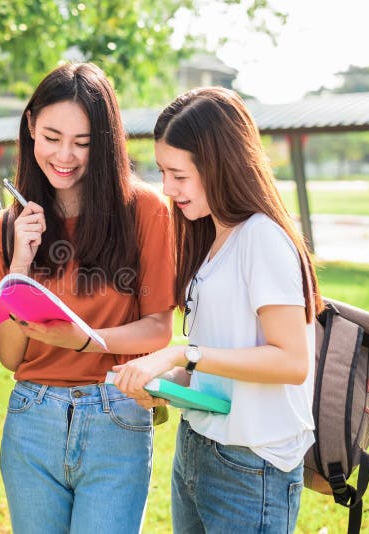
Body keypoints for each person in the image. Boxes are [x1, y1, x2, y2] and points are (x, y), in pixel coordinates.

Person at [112, 86, 323, 533]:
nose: (167, 188)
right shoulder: (212, 238)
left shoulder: (262, 238)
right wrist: (166, 382)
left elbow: (290, 361)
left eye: (179, 175)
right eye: (163, 172)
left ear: (219, 166)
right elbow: (221, 360)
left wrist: (180, 353)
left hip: (251, 466)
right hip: (199, 447)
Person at [0, 63, 176, 534]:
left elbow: (159, 329)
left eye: (83, 143)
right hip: (32, 419)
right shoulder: (4, 228)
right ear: (30, 127)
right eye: (51, 137)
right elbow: (10, 356)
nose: (65, 155)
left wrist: (84, 340)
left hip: (117, 413)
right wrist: (19, 267)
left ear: (105, 144)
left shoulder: (145, 211)